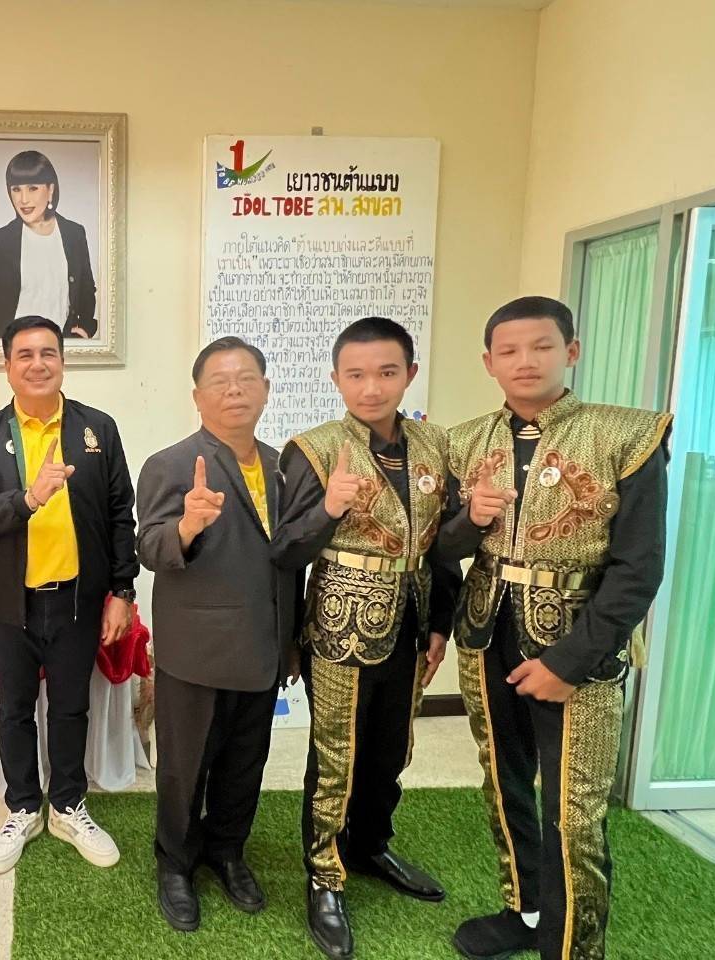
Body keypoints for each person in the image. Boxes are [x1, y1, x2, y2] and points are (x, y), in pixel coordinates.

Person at [439, 296, 670, 960]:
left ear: (571, 351)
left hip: (579, 645)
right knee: (504, 783)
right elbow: (441, 547)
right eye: (508, 351)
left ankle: (573, 947)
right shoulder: (465, 441)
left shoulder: (626, 435)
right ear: (488, 362)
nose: (525, 362)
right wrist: (471, 519)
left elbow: (638, 567)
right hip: (487, 636)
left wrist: (570, 662)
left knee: (574, 810)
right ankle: (526, 911)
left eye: (541, 347)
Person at [273, 316, 463, 960]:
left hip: (411, 621)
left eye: (386, 372)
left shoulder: (435, 445)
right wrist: (328, 508)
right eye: (356, 375)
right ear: (336, 379)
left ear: (410, 374)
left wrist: (440, 624)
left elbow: (442, 546)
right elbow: (285, 552)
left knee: (390, 748)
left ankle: (370, 846)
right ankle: (324, 877)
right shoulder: (315, 449)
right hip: (339, 625)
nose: (372, 387)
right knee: (337, 755)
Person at [0, 315, 138, 875]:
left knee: (71, 706)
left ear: (62, 360)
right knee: (13, 710)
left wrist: (122, 590)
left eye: (48, 353)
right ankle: (23, 807)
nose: (38, 364)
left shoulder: (97, 429)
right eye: (25, 355)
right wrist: (28, 499)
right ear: (7, 366)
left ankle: (68, 805)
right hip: (11, 602)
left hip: (77, 600)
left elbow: (120, 515)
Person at [135, 336, 298, 933]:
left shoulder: (285, 466)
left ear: (266, 390)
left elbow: (292, 562)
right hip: (196, 651)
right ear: (198, 397)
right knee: (186, 767)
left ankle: (227, 851)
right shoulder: (172, 464)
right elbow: (149, 547)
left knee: (245, 762)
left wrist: (292, 639)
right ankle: (175, 862)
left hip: (263, 645)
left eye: (247, 379)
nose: (235, 391)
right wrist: (186, 526)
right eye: (221, 382)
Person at [0, 150, 99, 341]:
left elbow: (87, 290)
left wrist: (85, 328)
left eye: (32, 188)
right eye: (16, 189)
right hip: (15, 347)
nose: (23, 199)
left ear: (50, 190)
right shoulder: (1, 240)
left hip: (60, 348)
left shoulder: (74, 234)